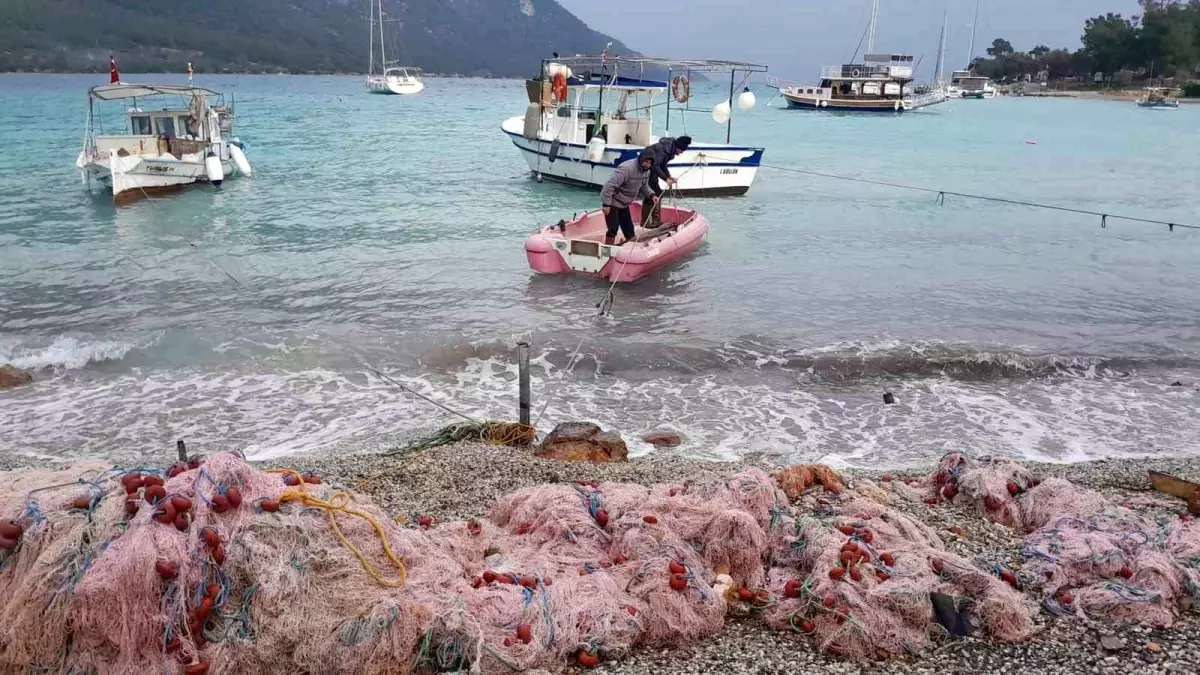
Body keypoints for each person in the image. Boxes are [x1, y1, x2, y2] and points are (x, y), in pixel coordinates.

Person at [600, 148, 657, 246]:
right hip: (613, 201)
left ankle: (630, 247)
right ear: (641, 159)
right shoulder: (626, 169)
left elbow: (644, 186)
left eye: (650, 163)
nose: (647, 164)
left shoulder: (646, 172)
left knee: (629, 230)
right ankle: (608, 248)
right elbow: (609, 185)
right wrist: (606, 204)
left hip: (624, 203)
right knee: (613, 228)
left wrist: (651, 195)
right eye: (646, 161)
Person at [642, 135, 691, 225]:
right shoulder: (664, 150)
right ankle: (647, 222)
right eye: (681, 151)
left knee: (657, 193)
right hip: (647, 169)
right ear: (678, 147)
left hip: (652, 170)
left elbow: (663, 164)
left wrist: (668, 176)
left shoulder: (669, 149)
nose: (681, 153)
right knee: (652, 194)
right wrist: (665, 179)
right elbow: (655, 165)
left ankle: (655, 221)